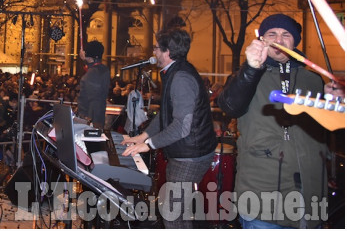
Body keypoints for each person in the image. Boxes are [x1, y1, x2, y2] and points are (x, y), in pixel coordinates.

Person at [217, 13, 345, 228]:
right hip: (261, 192)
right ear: (262, 40)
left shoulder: (313, 80)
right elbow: (230, 106)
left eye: (286, 34)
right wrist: (251, 68)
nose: (279, 39)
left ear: (295, 42)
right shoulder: (249, 74)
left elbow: (333, 133)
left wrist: (338, 105)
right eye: (272, 34)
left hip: (308, 192)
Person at [122, 28, 217, 228]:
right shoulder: (174, 72)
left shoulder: (181, 78)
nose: (153, 53)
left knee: (172, 214)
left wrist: (148, 145)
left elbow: (182, 126)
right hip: (186, 151)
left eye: (156, 48)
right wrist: (143, 136)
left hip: (190, 155)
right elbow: (167, 115)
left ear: (167, 52)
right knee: (176, 213)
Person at [77, 40, 111, 128]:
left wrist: (88, 120)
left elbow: (94, 100)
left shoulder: (92, 74)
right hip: (96, 118)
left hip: (90, 121)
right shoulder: (103, 70)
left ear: (88, 55)